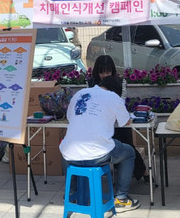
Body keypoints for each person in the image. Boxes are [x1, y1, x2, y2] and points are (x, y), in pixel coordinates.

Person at [60, 74, 140, 213]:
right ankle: (121, 198)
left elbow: (70, 117)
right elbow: (125, 122)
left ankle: (71, 195)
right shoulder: (114, 97)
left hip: (69, 154)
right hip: (97, 154)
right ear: (116, 91)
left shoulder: (80, 93)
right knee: (129, 152)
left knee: (70, 151)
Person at [89, 55, 150, 183]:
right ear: (96, 72)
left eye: (108, 72)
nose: (105, 76)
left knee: (127, 144)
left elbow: (121, 102)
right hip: (100, 122)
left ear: (112, 71)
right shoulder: (91, 83)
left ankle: (142, 170)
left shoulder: (120, 82)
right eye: (101, 72)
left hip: (117, 119)